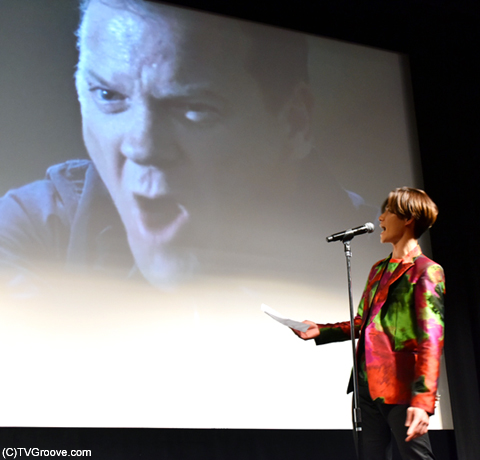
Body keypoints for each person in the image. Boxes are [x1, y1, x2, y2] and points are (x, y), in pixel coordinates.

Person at [0, 0, 362, 295]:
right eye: (109, 96)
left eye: (195, 108)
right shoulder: (32, 231)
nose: (143, 146)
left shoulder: (380, 259)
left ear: (294, 124)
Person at [293, 187, 445, 460]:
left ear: (408, 218)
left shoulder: (426, 271)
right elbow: (363, 321)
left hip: (400, 387)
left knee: (416, 457)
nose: (381, 218)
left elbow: (431, 341)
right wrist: (321, 330)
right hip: (366, 385)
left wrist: (423, 401)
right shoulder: (379, 269)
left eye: (387, 211)